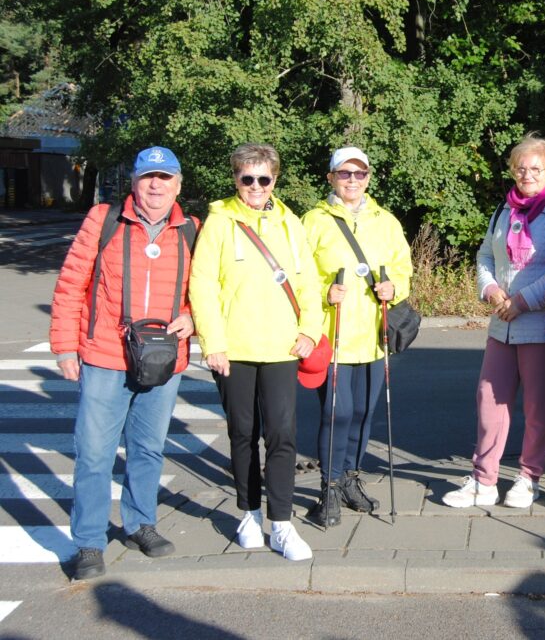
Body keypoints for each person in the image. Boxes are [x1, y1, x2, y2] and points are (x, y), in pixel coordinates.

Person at [50, 146, 198, 580]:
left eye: (165, 177)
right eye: (148, 176)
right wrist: (64, 346)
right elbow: (71, 283)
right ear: (134, 181)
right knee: (94, 453)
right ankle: (90, 542)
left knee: (147, 449)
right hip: (105, 356)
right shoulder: (104, 220)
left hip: (164, 357)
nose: (156, 185)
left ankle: (140, 523)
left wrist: (195, 318)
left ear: (178, 185)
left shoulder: (191, 229)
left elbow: (208, 289)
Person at [189, 143, 322, 561]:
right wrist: (213, 343)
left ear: (275, 180)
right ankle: (248, 513)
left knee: (282, 434)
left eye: (264, 178)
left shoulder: (290, 224)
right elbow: (203, 286)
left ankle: (281, 523)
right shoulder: (219, 222)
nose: (256, 186)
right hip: (235, 349)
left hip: (282, 347)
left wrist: (310, 331)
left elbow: (309, 285)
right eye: (247, 178)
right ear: (235, 179)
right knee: (242, 434)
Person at [442, 134, 545, 509]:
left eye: (536, 168)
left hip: (540, 326)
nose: (527, 174)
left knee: (538, 408)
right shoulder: (504, 210)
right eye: (521, 167)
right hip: (502, 325)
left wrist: (522, 300)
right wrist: (490, 291)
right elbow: (486, 255)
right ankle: (484, 479)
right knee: (489, 402)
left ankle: (528, 477)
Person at [301, 146, 413, 524]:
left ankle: (350, 478)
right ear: (331, 177)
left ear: (368, 177)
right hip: (332, 334)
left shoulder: (386, 220)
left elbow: (403, 267)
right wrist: (323, 293)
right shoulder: (313, 221)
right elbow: (298, 274)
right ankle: (328, 488)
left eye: (359, 174)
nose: (353, 181)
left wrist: (393, 288)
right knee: (338, 413)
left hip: (372, 335)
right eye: (344, 174)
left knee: (364, 413)